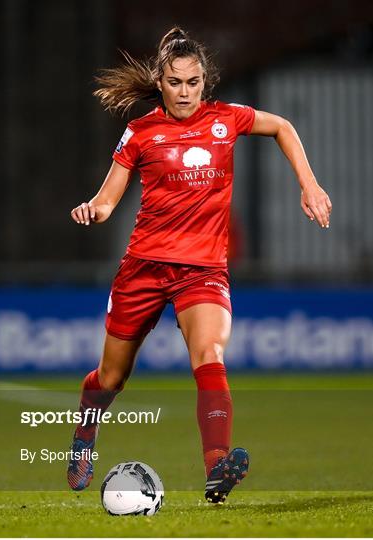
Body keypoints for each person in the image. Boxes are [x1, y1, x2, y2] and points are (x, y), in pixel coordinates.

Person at [67, 27, 332, 503]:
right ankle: (85, 435)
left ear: (204, 82)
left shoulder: (227, 119)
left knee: (209, 355)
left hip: (203, 269)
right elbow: (108, 200)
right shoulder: (141, 132)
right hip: (144, 267)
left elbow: (283, 127)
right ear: (161, 82)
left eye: (192, 82)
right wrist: (93, 209)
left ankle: (216, 471)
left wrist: (309, 185)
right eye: (174, 82)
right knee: (111, 378)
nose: (184, 92)